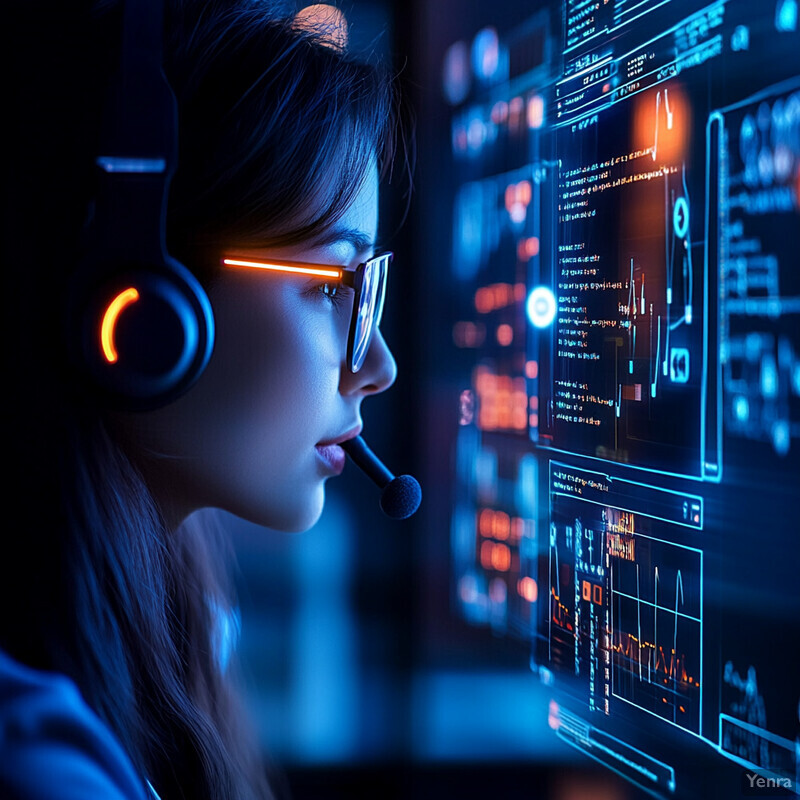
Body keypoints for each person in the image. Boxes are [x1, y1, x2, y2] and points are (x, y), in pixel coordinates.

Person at [1, 1, 411, 798]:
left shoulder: (170, 636)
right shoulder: (40, 769)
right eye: (334, 286)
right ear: (138, 310)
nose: (380, 366)